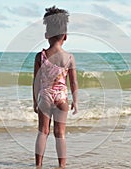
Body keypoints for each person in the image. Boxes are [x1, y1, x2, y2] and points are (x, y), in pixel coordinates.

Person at [33, 6, 78, 168]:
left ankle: (38, 165)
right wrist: (76, 101)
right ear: (65, 36)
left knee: (43, 132)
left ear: (46, 35)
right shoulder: (69, 58)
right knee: (60, 134)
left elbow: (36, 81)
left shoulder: (40, 56)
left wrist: (34, 101)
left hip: (44, 97)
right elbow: (73, 82)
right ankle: (62, 166)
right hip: (62, 98)